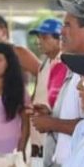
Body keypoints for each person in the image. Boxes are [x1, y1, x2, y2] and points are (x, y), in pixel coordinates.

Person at [29, 0, 84, 167]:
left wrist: (53, 124)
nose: (62, 31)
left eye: (68, 25)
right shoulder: (75, 66)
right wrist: (52, 114)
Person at [27, 18, 68, 155]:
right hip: (38, 134)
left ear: (59, 39)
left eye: (44, 37)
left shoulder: (66, 65)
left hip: (54, 134)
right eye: (39, 37)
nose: (39, 41)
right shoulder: (44, 65)